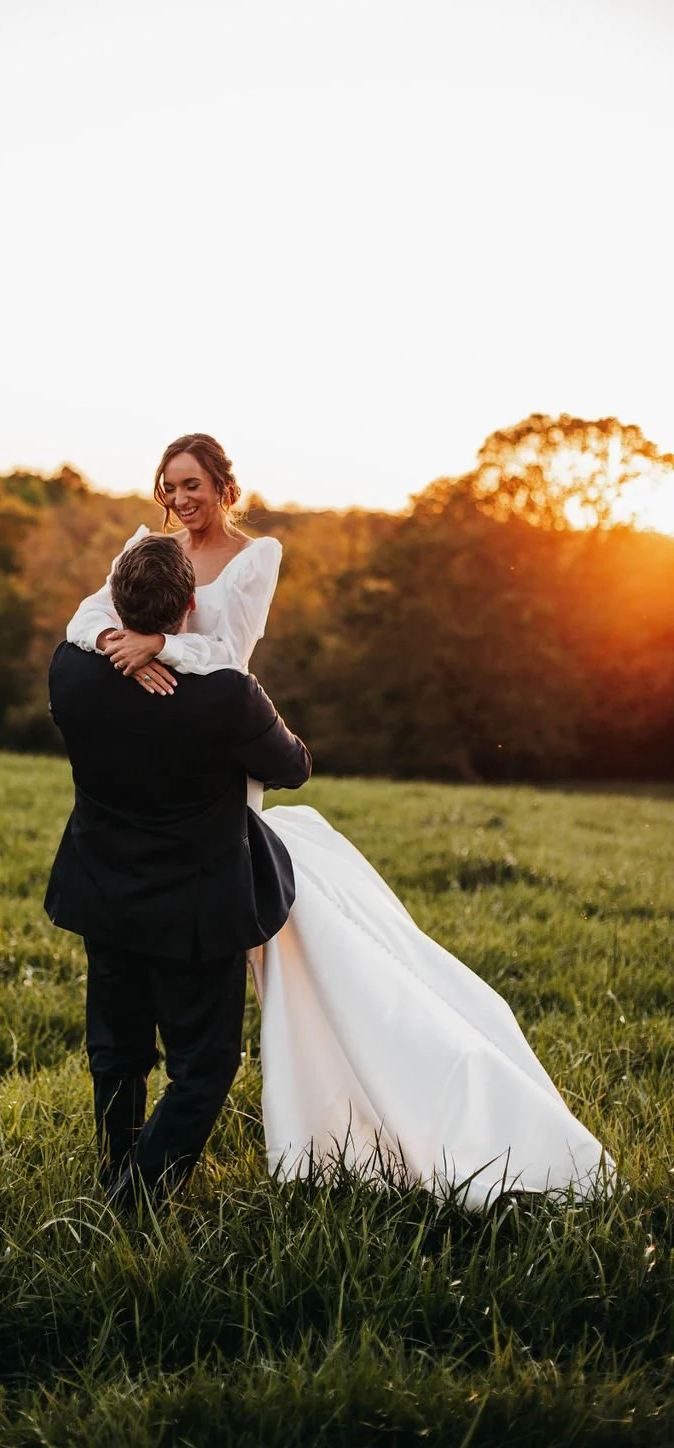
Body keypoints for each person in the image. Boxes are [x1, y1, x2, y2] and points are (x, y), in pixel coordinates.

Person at [66, 434, 613, 1210]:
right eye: (169, 485)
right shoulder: (145, 553)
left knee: (196, 939)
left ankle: (172, 1150)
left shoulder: (256, 559)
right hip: (164, 738)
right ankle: (138, 1172)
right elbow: (86, 618)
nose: (180, 499)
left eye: (192, 484)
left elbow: (230, 650)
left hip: (211, 750)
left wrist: (161, 646)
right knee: (178, 989)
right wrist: (117, 642)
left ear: (224, 486)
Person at [46, 532, 312, 1206]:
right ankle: (134, 1199)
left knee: (116, 1048)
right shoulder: (226, 694)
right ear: (190, 604)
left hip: (104, 888)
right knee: (204, 1064)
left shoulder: (69, 670)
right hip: (195, 907)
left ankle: (116, 1169)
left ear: (113, 600)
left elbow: (84, 635)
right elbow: (293, 767)